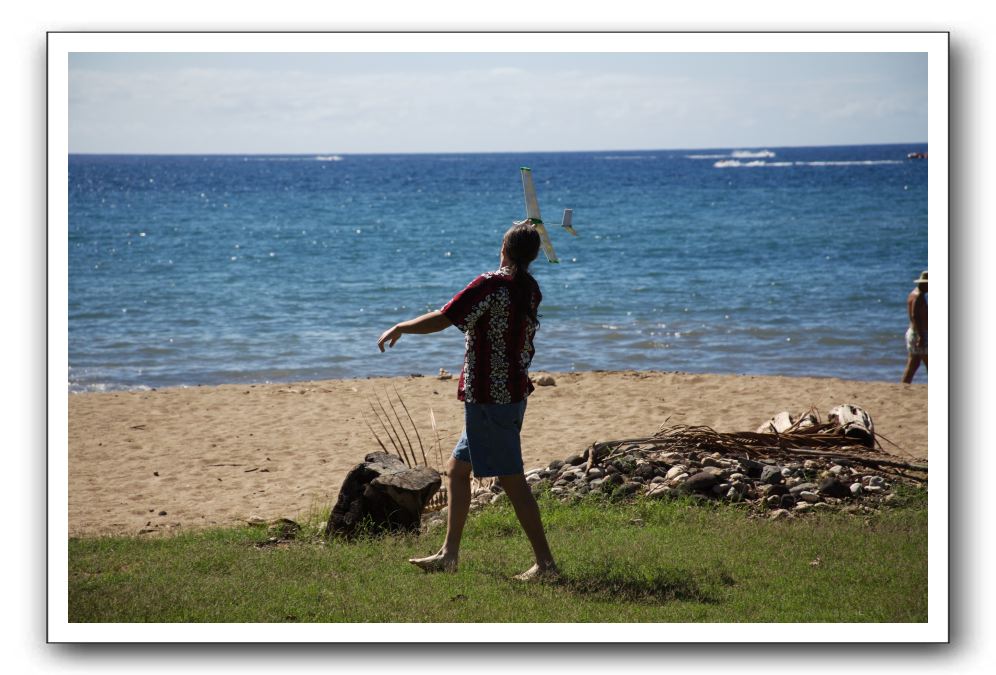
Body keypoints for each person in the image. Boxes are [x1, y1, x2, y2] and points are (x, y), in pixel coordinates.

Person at [376, 222, 558, 581]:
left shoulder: (491, 284)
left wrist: (402, 326)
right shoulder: (529, 288)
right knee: (458, 471)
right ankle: (449, 554)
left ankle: (547, 565)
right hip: (509, 394)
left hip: (491, 397)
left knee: (512, 480)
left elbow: (446, 317)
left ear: (504, 249)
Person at [901, 270, 928, 383]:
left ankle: (903, 387)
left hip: (913, 332)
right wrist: (921, 336)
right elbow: (915, 315)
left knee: (913, 364)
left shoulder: (913, 294)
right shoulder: (919, 297)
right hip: (919, 333)